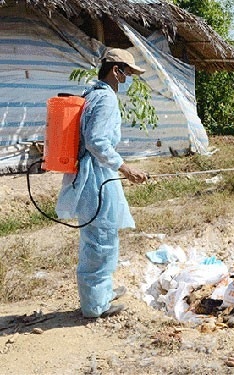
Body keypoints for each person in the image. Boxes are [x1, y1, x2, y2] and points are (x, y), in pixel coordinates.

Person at [56, 48, 148, 318]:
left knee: (98, 237)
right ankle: (96, 306)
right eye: (127, 73)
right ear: (115, 70)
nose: (127, 79)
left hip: (93, 174)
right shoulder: (106, 99)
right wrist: (126, 167)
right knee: (101, 239)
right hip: (96, 177)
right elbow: (96, 141)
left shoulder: (92, 94)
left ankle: (101, 291)